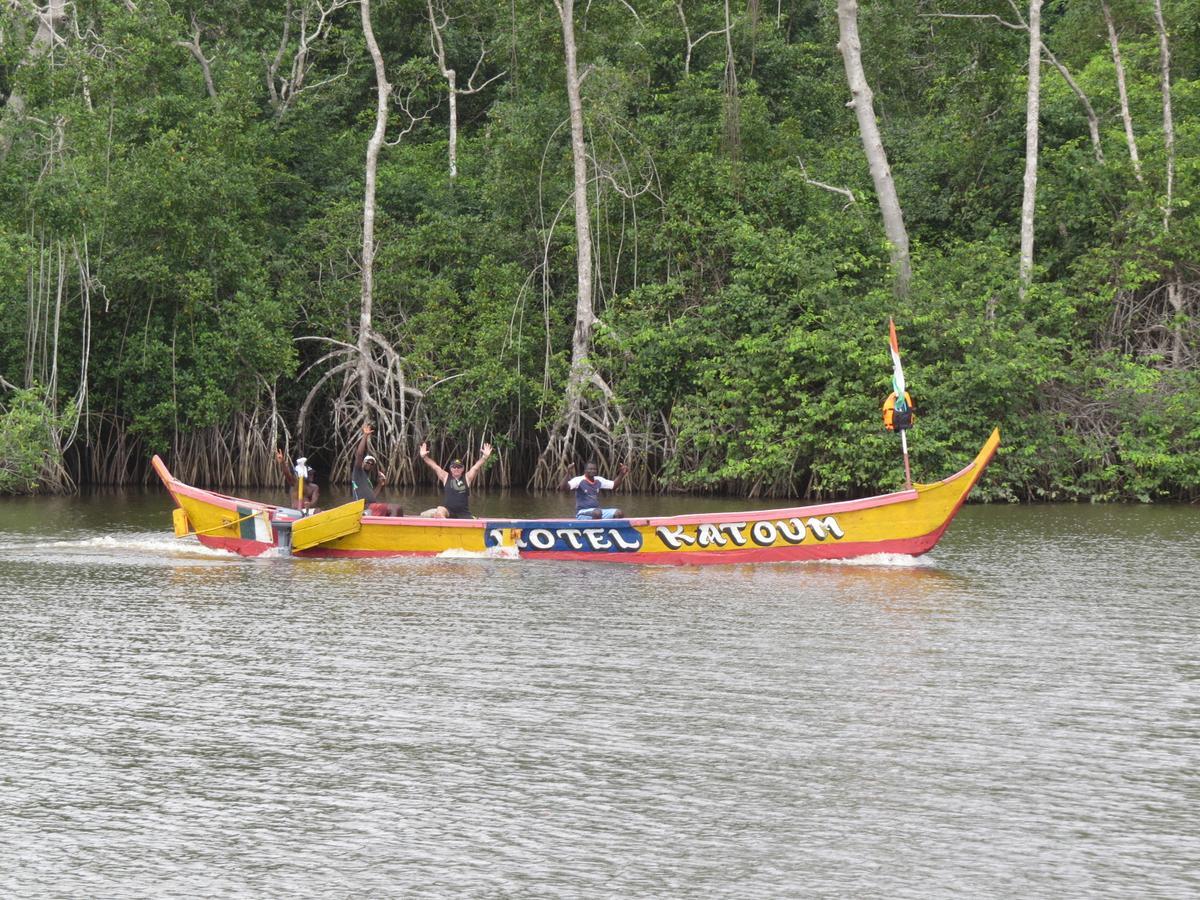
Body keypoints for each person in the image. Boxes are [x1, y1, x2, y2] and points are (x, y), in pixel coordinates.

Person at [419, 441, 492, 518]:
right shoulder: (446, 477)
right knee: (440, 510)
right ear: (450, 468)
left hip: (464, 513)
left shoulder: (467, 478)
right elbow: (435, 466)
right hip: (448, 511)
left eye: (459, 467)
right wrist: (424, 457)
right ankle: (445, 526)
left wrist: (484, 457)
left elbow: (475, 468)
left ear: (463, 469)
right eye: (454, 467)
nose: (456, 469)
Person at [352, 424, 404, 516]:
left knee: (396, 510)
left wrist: (380, 484)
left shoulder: (367, 479)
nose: (369, 464)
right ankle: (392, 530)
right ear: (363, 462)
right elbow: (359, 454)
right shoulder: (358, 472)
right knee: (396, 508)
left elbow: (372, 496)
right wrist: (365, 436)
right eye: (367, 462)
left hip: (371, 505)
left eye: (372, 464)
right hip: (363, 507)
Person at [560, 461, 628, 519]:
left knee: (619, 513)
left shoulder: (598, 480)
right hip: (582, 513)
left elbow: (614, 485)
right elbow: (563, 488)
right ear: (585, 470)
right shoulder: (579, 480)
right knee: (597, 513)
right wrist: (568, 473)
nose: (592, 471)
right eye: (590, 469)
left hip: (597, 512)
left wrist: (622, 473)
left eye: (594, 469)